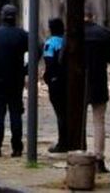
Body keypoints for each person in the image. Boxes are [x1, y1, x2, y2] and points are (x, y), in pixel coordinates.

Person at [0, 3, 28, 157]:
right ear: (15, 17)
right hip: (16, 79)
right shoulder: (22, 35)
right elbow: (38, 48)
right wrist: (27, 69)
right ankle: (17, 147)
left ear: (2, 16)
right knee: (16, 114)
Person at [84, 3, 110, 173]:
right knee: (99, 121)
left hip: (78, 84)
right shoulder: (103, 33)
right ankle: (99, 159)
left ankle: (79, 155)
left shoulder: (73, 33)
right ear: (93, 16)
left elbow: (63, 58)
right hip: (98, 81)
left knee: (78, 122)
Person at [43, 17, 67, 153]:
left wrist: (49, 78)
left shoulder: (50, 43)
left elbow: (49, 62)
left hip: (55, 82)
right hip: (67, 81)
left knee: (60, 113)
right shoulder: (66, 41)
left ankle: (62, 142)